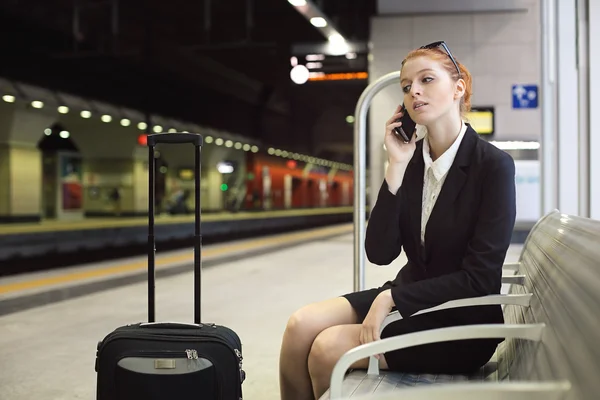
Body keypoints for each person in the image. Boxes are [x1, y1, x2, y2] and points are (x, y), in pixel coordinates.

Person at [278, 41, 517, 400]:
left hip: (461, 319)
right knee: (299, 327)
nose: (414, 91)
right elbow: (379, 251)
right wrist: (395, 167)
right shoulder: (412, 163)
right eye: (406, 86)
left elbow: (481, 279)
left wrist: (392, 298)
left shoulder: (492, 166)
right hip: (409, 297)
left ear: (458, 88)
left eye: (426, 80)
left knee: (327, 349)